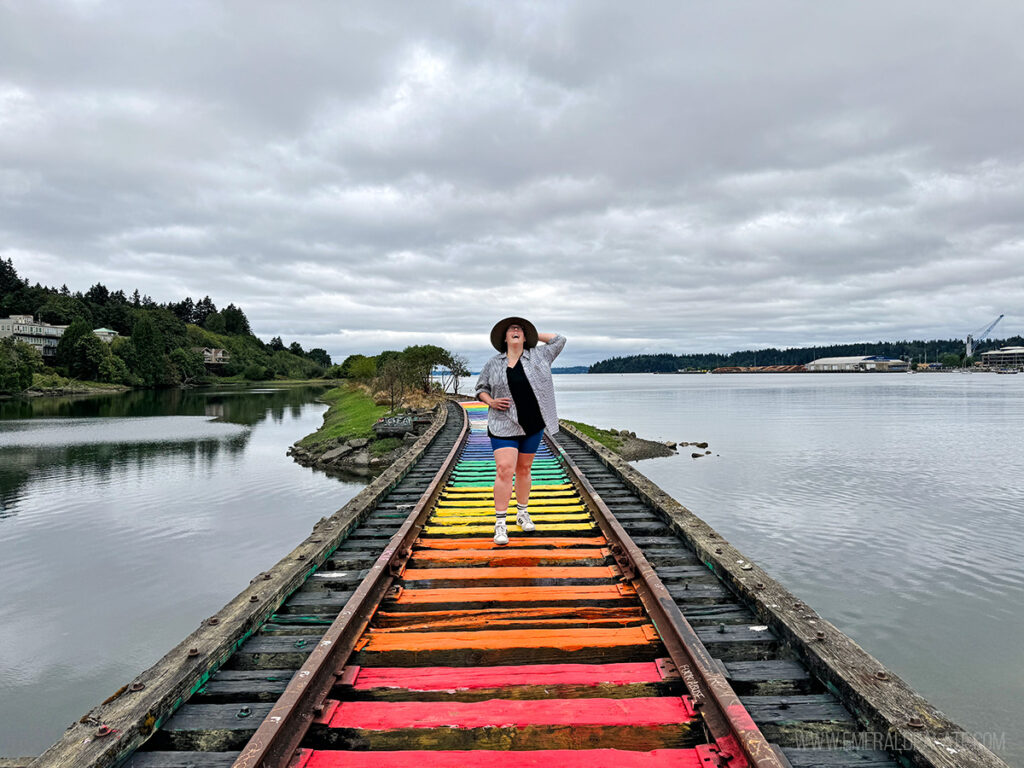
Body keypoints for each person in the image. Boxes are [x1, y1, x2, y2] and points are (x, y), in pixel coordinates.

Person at [475, 317, 566, 545]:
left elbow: (559, 339)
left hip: (533, 424)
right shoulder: (493, 363)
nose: (515, 331)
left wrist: (533, 335)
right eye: (511, 329)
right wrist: (491, 402)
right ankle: (500, 523)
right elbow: (480, 389)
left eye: (520, 329)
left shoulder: (539, 355)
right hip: (503, 423)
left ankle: (522, 513)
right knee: (505, 470)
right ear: (504, 338)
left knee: (524, 469)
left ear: (525, 337)